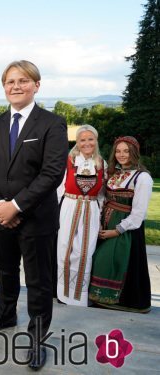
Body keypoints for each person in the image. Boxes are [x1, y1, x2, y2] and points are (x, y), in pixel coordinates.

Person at [0, 61, 68, 370]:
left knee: (40, 281)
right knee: (5, 271)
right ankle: (6, 315)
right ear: (4, 87)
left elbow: (52, 172)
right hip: (0, 217)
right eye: (9, 81)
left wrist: (16, 205)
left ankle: (38, 339)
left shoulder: (52, 124)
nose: (15, 86)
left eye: (23, 80)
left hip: (36, 219)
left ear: (36, 85)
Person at [89, 136, 153, 313]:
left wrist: (116, 231)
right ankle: (101, 299)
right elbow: (103, 197)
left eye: (126, 151)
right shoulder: (113, 173)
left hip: (125, 229)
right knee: (96, 259)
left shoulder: (143, 178)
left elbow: (138, 214)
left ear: (134, 152)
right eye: (118, 151)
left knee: (111, 261)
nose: (121, 155)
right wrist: (98, 220)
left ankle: (123, 301)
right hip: (105, 223)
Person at [55, 125, 106, 306]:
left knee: (85, 252)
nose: (87, 143)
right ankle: (63, 293)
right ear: (77, 142)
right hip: (70, 205)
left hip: (91, 209)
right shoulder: (69, 160)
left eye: (90, 139)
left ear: (96, 141)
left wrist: (100, 216)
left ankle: (79, 296)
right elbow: (59, 188)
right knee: (65, 248)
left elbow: (101, 194)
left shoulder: (101, 163)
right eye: (82, 140)